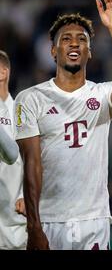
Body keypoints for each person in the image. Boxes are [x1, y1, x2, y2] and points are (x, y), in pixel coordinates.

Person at [15, 0, 112, 250]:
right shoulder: (30, 98)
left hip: (93, 220)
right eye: (66, 39)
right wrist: (34, 227)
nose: (74, 43)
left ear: (89, 52)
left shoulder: (101, 93)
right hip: (49, 219)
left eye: (82, 40)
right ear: (53, 51)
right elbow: (32, 164)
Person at [0, 50, 27, 250]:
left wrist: (25, 194)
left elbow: (33, 158)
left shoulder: (22, 111)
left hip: (16, 221)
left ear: (3, 73)